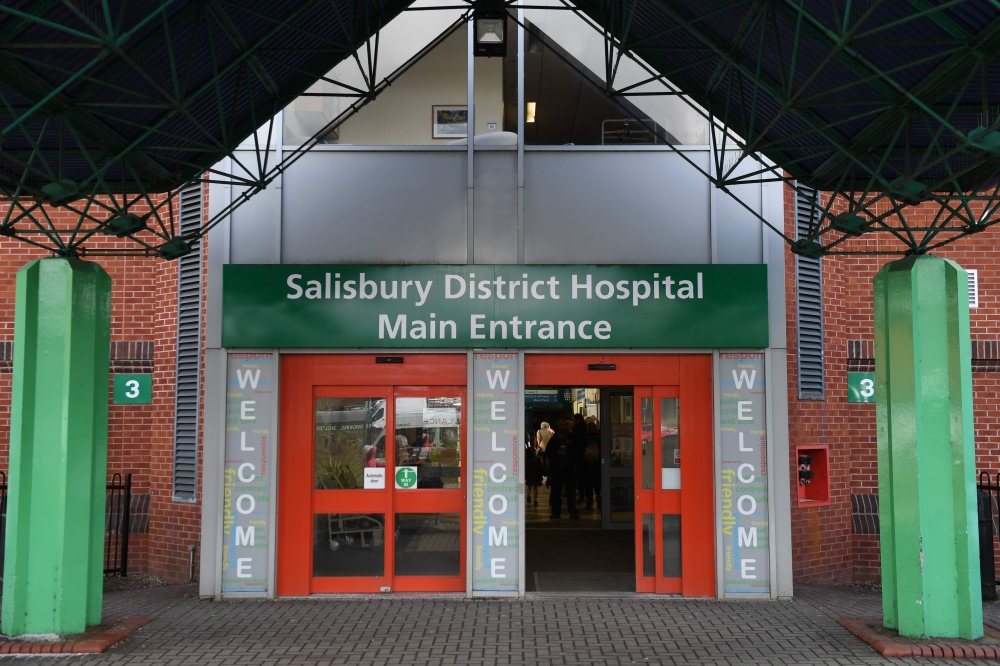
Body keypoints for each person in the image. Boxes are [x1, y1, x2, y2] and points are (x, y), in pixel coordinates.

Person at [543, 419, 581, 519]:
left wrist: (577, 465)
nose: (563, 427)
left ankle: (572, 511)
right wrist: (556, 454)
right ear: (558, 427)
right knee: (556, 492)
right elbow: (547, 453)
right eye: (561, 425)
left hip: (570, 468)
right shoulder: (554, 439)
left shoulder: (573, 438)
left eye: (565, 425)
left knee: (571, 492)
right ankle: (556, 512)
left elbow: (580, 452)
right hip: (557, 468)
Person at [581, 420, 602, 510]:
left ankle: (589, 503)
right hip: (597, 464)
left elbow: (581, 450)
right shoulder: (599, 437)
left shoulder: (584, 438)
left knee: (588, 485)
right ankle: (599, 502)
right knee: (598, 485)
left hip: (587, 464)